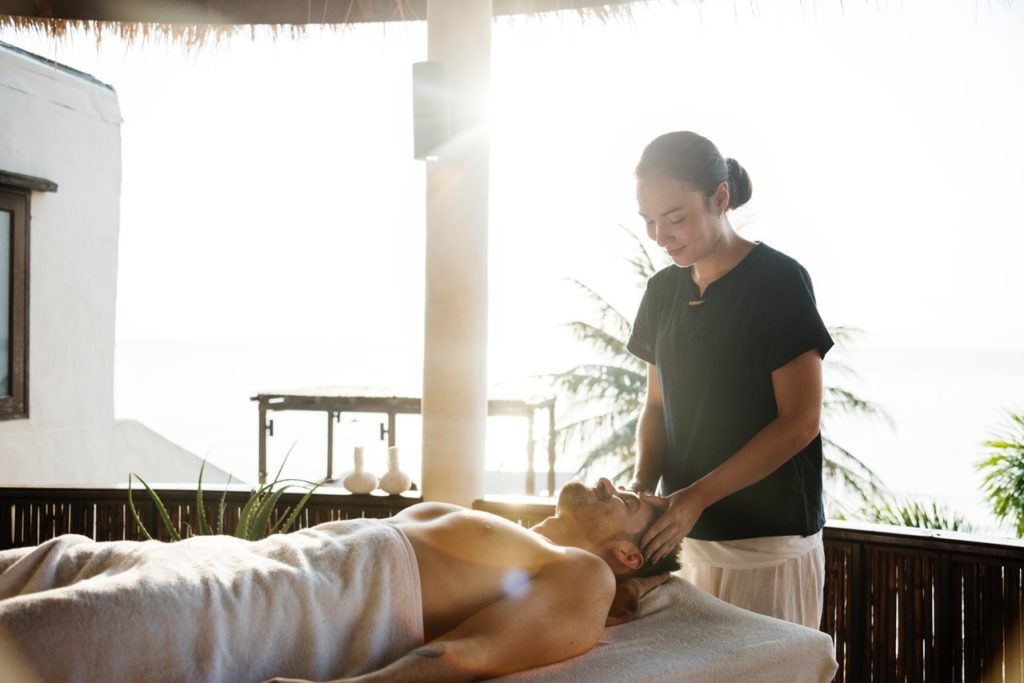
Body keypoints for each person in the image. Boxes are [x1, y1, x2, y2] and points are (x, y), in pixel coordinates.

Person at [0, 478, 678, 683]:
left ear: (627, 554)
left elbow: (468, 654)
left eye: (636, 500)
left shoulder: (583, 574)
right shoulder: (521, 540)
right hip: (221, 560)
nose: (612, 483)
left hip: (250, 607)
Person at [625, 131, 834, 628]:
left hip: (768, 545)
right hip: (685, 543)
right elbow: (657, 407)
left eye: (675, 218)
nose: (660, 235)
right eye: (649, 221)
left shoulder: (778, 281)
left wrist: (694, 497)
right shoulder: (661, 291)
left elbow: (800, 421)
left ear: (720, 198)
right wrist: (640, 491)